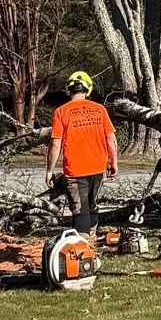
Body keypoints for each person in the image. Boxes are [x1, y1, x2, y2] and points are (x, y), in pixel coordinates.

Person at [47, 71, 118, 226]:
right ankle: (90, 243)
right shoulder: (100, 109)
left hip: (75, 169)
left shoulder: (61, 112)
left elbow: (55, 144)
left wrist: (49, 171)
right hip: (98, 166)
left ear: (69, 89)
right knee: (92, 206)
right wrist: (113, 162)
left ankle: (83, 246)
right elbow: (111, 139)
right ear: (88, 88)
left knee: (81, 211)